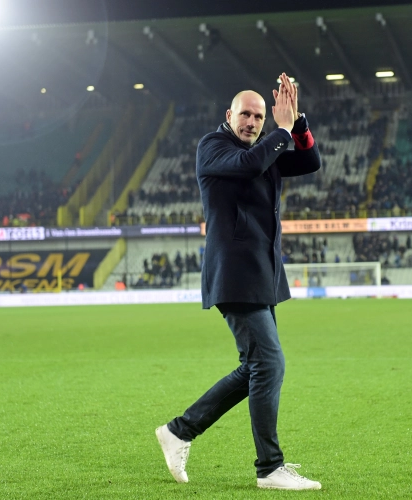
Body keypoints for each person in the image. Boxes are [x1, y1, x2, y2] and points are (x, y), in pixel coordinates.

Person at [155, 74, 322, 491]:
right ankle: (269, 467)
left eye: (259, 116)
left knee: (256, 367)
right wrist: (280, 130)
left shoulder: (267, 147)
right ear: (228, 116)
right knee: (269, 364)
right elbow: (248, 165)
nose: (251, 121)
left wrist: (296, 121)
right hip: (235, 274)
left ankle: (179, 431)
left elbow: (310, 161)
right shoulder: (213, 147)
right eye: (244, 114)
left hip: (261, 274)